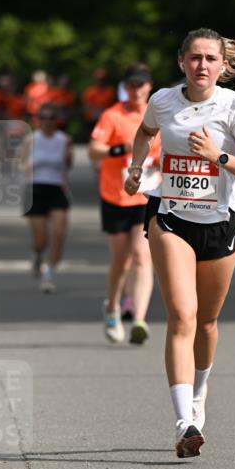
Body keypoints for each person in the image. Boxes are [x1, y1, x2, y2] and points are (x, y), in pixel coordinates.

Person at [124, 28, 235, 458]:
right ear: (181, 61)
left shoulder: (233, 106)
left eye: (210, 58)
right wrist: (135, 169)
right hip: (170, 218)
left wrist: (217, 157)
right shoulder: (163, 100)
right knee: (182, 317)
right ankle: (185, 421)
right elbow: (144, 133)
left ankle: (199, 392)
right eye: (195, 58)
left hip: (221, 223)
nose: (202, 65)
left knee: (206, 322)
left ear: (223, 67)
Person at [89, 64, 161, 344]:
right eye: (131, 85)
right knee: (121, 260)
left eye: (141, 85)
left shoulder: (158, 115)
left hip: (147, 193)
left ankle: (140, 320)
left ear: (149, 86)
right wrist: (118, 150)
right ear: (125, 87)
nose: (136, 90)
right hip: (115, 195)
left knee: (143, 256)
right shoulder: (112, 115)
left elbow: (167, 148)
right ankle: (112, 307)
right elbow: (94, 150)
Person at [20, 103, 73, 293]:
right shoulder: (31, 139)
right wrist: (31, 164)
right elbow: (21, 165)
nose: (47, 122)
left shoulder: (64, 139)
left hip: (57, 189)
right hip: (36, 190)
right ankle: (37, 254)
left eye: (51, 118)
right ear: (38, 119)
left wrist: (67, 155)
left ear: (56, 120)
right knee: (40, 241)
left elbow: (69, 165)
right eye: (43, 117)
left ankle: (48, 272)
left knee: (59, 233)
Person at [82, 68, 116, 137]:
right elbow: (86, 107)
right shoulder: (90, 91)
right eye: (99, 79)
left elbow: (113, 106)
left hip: (106, 120)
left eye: (102, 79)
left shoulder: (110, 91)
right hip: (92, 121)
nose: (101, 81)